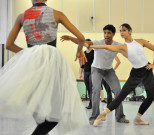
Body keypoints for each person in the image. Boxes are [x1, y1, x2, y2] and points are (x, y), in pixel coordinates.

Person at [0, 0, 89, 135]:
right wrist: (79, 49)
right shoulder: (57, 14)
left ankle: (43, 131)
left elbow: (9, 45)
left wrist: (27, 54)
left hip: (31, 60)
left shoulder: (21, 16)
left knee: (35, 98)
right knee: (58, 108)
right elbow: (81, 37)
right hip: (51, 60)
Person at [90, 23, 154, 126]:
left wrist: (153, 64)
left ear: (130, 31)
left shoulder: (141, 41)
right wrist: (91, 46)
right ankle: (103, 114)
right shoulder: (122, 47)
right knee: (121, 95)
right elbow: (104, 46)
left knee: (151, 96)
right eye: (120, 30)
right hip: (136, 73)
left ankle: (138, 118)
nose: (121, 32)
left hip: (147, 69)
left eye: (124, 30)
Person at [61, 24, 129, 125]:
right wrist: (71, 38)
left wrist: (141, 45)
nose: (106, 35)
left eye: (109, 33)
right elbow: (83, 43)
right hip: (96, 69)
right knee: (96, 90)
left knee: (118, 90)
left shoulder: (117, 45)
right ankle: (94, 116)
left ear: (114, 34)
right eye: (105, 32)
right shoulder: (97, 43)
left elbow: (130, 49)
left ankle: (120, 116)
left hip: (109, 70)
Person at [80, 39, 94, 109]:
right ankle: (91, 103)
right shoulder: (84, 53)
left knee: (91, 88)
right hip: (85, 72)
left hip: (92, 72)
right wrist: (80, 73)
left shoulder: (94, 52)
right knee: (88, 88)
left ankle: (92, 103)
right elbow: (82, 64)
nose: (86, 45)